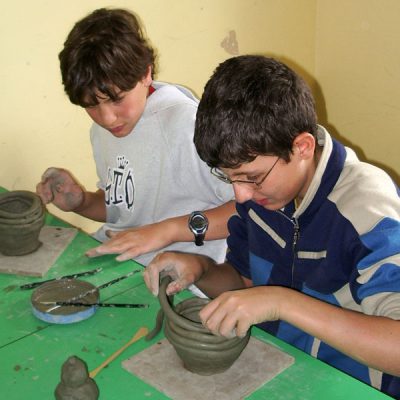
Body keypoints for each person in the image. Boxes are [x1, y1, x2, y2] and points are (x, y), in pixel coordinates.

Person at [144, 55, 400, 398]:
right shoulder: (265, 197)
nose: (241, 195)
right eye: (229, 177)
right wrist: (201, 270)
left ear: (302, 147)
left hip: (349, 386)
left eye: (251, 178)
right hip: (278, 369)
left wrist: (281, 302)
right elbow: (245, 283)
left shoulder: (366, 209)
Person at [36, 8, 235, 268]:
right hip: (124, 258)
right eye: (91, 106)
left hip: (188, 271)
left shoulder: (189, 126)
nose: (106, 118)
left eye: (116, 99)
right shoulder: (103, 131)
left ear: (146, 74)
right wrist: (82, 202)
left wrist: (165, 231)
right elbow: (123, 209)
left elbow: (247, 211)